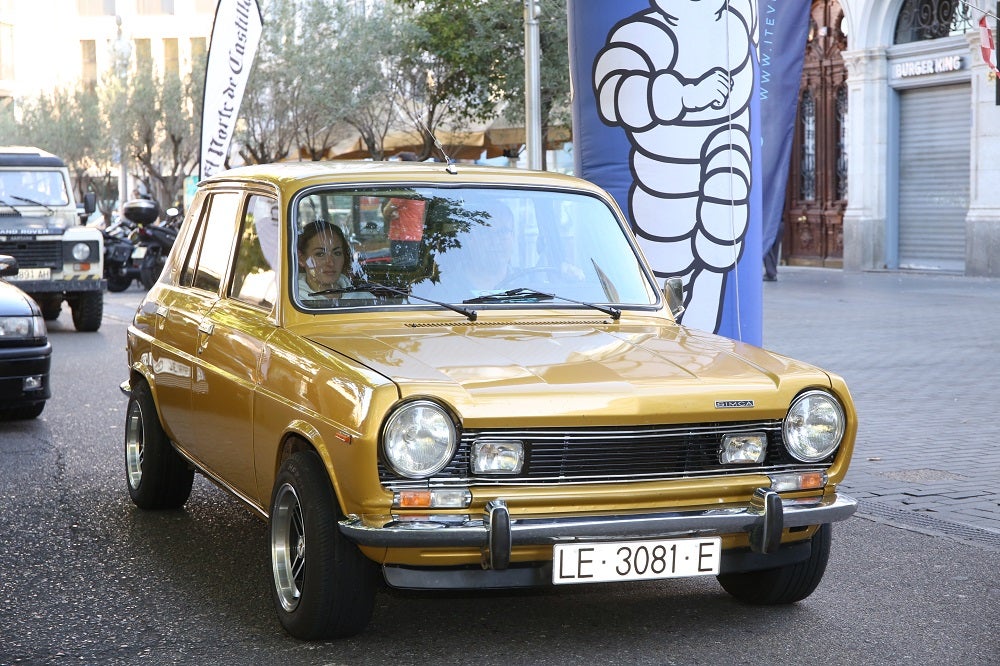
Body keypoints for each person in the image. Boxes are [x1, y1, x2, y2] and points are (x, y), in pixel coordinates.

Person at [296, 220, 351, 298]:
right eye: (320, 254)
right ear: (301, 259)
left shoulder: (364, 298)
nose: (331, 263)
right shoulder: (294, 300)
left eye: (337, 253)